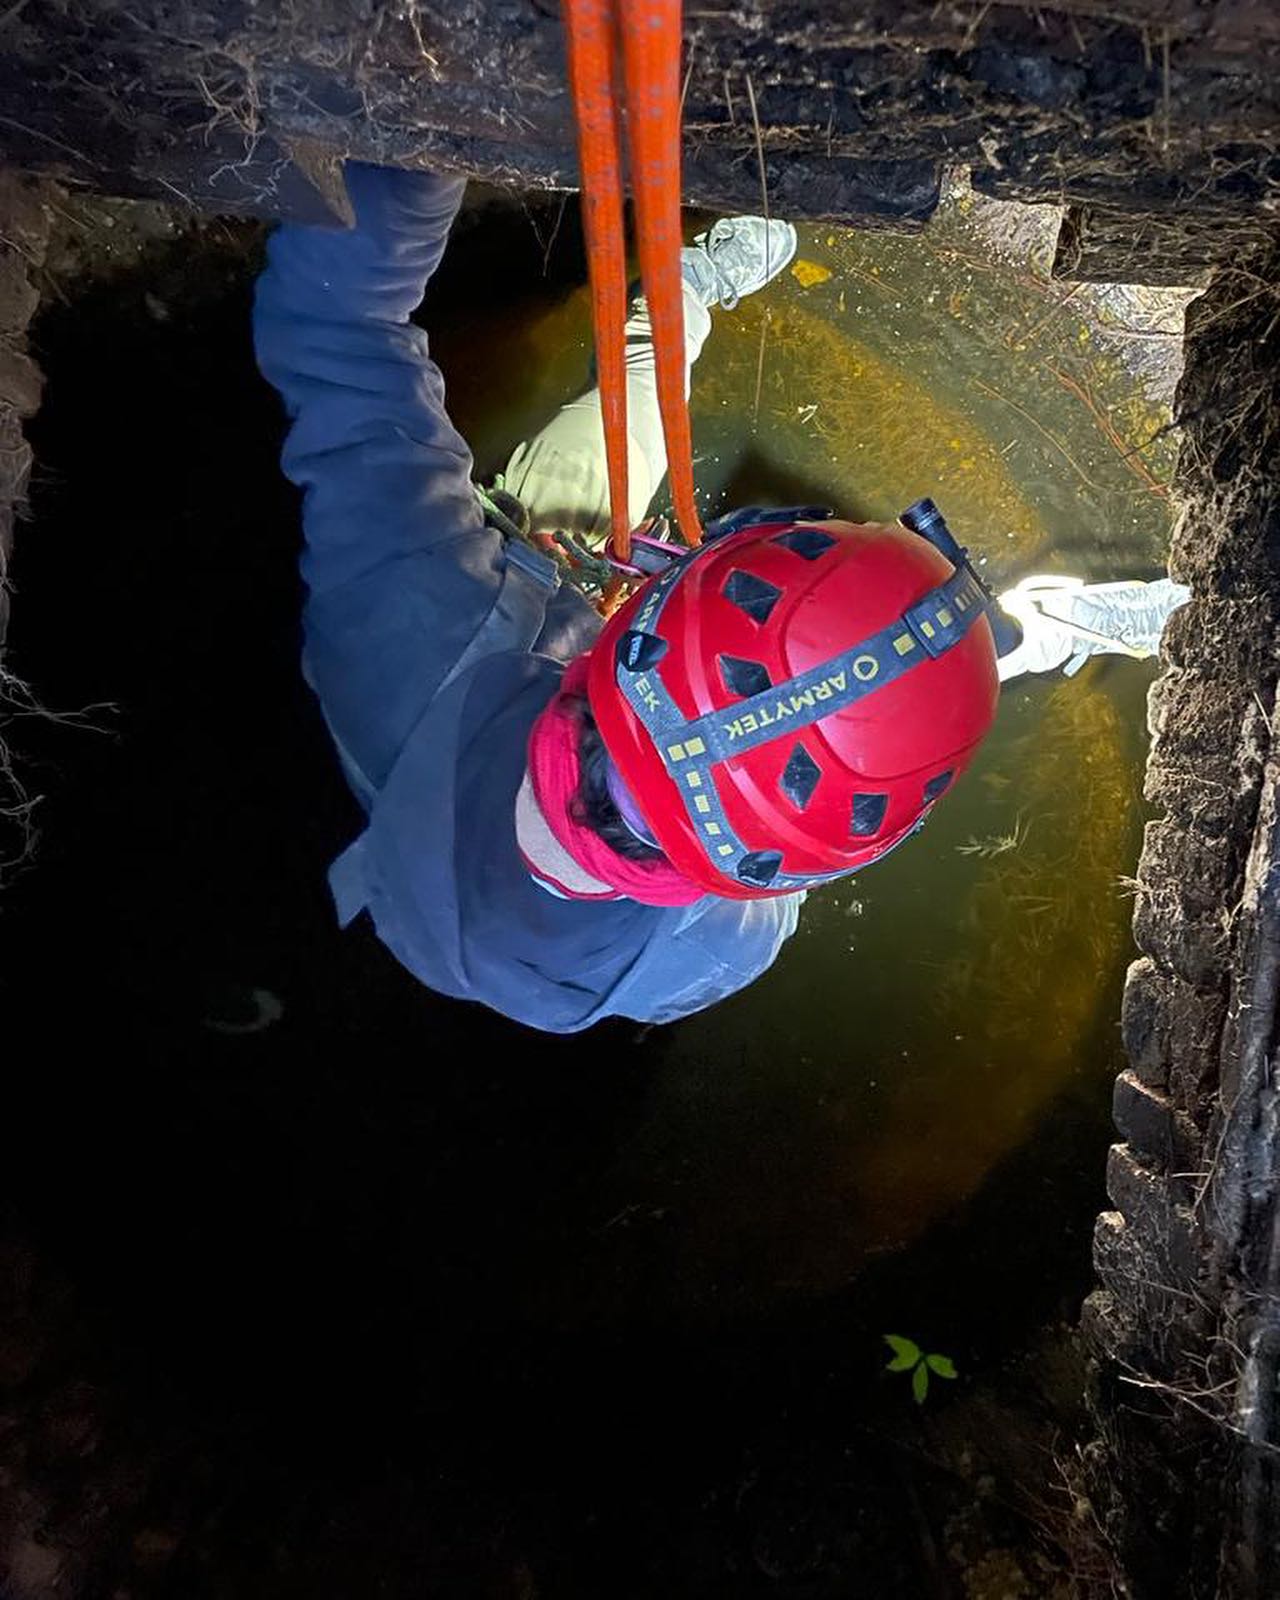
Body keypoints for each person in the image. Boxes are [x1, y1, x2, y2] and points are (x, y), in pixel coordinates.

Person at [253, 163, 1187, 1034]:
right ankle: (1040, 630)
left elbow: (343, 335)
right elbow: (797, 809)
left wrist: (422, 123)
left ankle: (687, 291)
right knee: (886, 712)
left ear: (637, 612)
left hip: (527, 571)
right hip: (570, 637)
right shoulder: (716, 945)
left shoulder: (405, 615)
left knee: (633, 415)